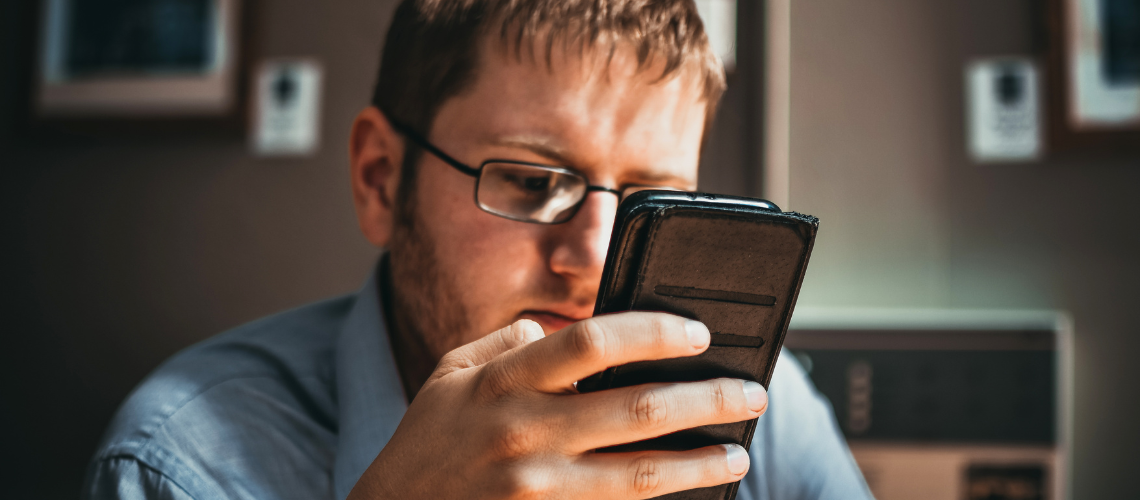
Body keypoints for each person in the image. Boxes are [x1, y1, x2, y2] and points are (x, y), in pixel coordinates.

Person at [84, 1, 872, 499]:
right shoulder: (179, 466)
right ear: (380, 180)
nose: (592, 257)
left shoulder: (759, 414)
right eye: (532, 183)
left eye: (646, 204)